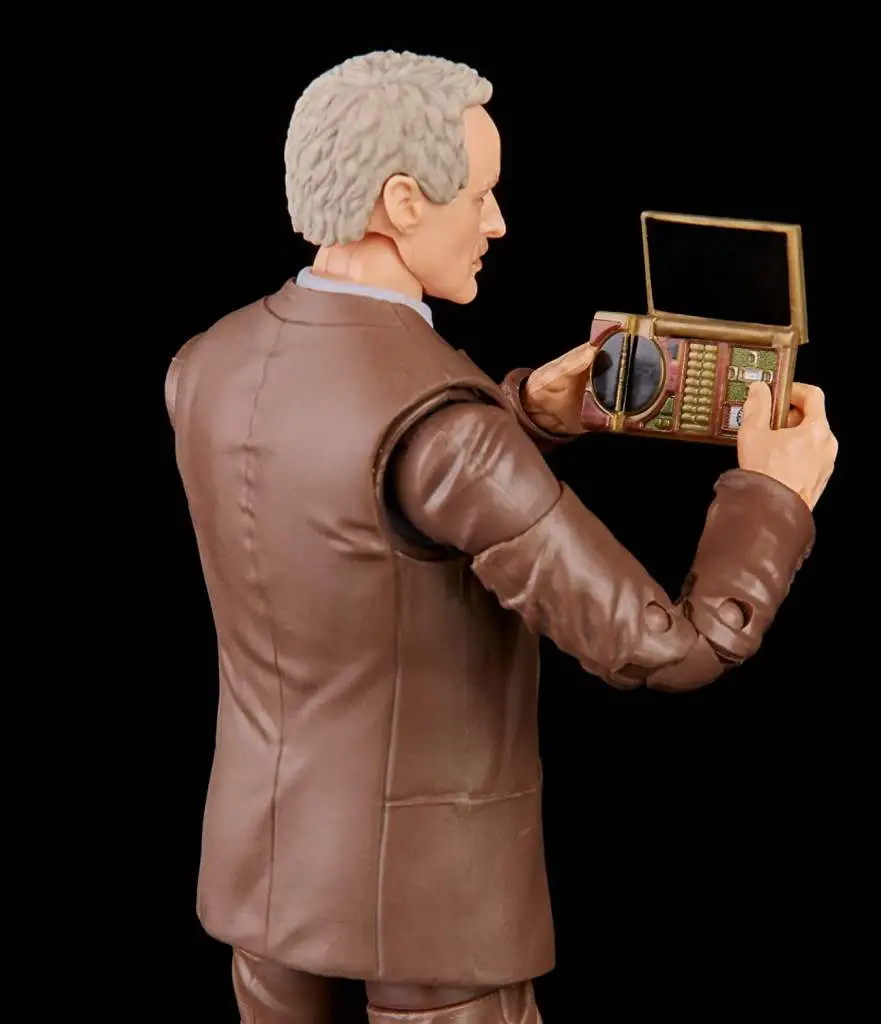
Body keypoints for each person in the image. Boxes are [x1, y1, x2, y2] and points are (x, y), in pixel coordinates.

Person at [165, 50, 837, 1024]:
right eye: (479, 194)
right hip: (433, 912)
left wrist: (521, 411)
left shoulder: (205, 364)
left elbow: (350, 507)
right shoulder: (450, 432)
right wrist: (772, 498)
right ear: (402, 201)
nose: (496, 222)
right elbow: (668, 649)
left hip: (262, 876)